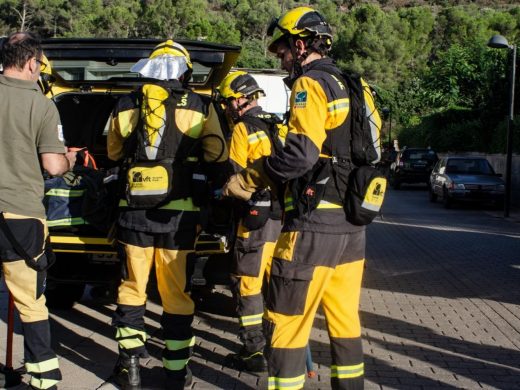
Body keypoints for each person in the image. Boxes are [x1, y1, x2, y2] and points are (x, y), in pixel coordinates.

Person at [233, 6, 381, 389]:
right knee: (346, 322)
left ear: (300, 45)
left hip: (313, 228)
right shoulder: (354, 85)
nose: (281, 59)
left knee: (285, 324)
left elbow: (300, 155)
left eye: (282, 51)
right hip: (352, 226)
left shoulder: (310, 85)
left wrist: (252, 175)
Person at [107, 39, 229, 390]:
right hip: (180, 219)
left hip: (133, 216)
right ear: (185, 71)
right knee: (176, 295)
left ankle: (130, 368)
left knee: (132, 289)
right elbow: (217, 154)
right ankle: (176, 373)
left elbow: (114, 152)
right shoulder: (201, 106)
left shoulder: (127, 102)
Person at [0, 31, 76, 390]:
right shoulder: (42, 105)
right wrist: (70, 159)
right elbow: (52, 165)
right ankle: (44, 381)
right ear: (33, 63)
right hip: (20, 218)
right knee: (31, 304)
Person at [217, 71, 284, 372]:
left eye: (229, 101)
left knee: (247, 283)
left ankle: (253, 351)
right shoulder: (276, 126)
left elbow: (235, 178)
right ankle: (280, 345)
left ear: (241, 99)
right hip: (282, 220)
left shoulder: (243, 129)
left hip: (255, 221)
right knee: (276, 285)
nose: (227, 108)